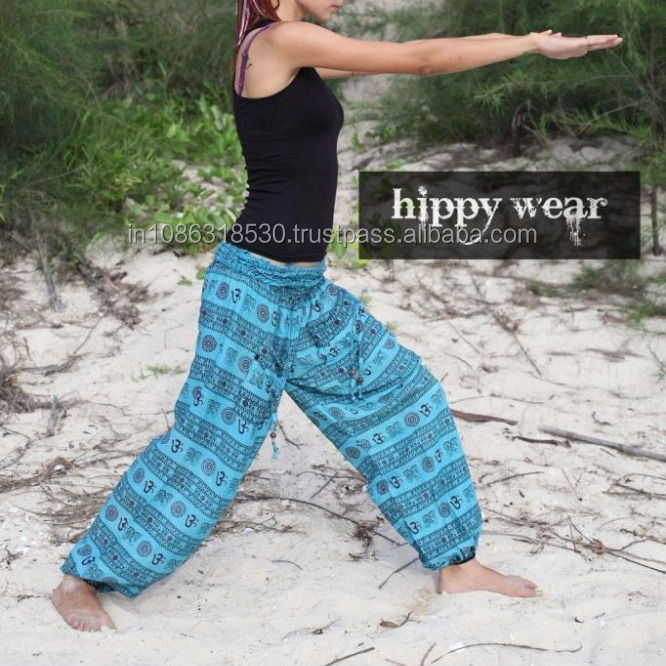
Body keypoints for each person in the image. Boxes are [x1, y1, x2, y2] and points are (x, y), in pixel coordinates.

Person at [51, 0, 622, 632]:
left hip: (305, 291)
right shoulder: (279, 42)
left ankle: (457, 564)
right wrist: (530, 47)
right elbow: (420, 61)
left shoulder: (293, 50)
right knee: (210, 448)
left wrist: (530, 38)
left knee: (406, 394)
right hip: (254, 291)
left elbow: (418, 52)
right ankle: (83, 578)